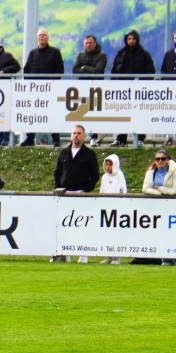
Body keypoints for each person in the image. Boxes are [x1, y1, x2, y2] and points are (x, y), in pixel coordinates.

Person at [51, 125, 99, 263]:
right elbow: (57, 173)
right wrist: (58, 188)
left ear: (84, 136)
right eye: (73, 133)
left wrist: (86, 190)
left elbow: (95, 175)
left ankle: (83, 253)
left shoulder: (90, 154)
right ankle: (65, 253)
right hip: (65, 195)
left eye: (78, 133)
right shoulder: (64, 153)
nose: (75, 136)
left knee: (82, 226)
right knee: (64, 226)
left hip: (81, 195)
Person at [110, 30, 155, 147]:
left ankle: (140, 138)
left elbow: (151, 72)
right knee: (122, 114)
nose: (131, 41)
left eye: (133, 39)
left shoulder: (144, 54)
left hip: (139, 91)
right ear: (126, 40)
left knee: (139, 114)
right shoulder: (121, 53)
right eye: (129, 39)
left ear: (137, 40)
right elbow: (114, 70)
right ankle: (121, 138)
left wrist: (143, 86)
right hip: (122, 91)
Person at [21, 29, 63, 147]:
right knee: (34, 114)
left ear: (48, 37)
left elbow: (59, 71)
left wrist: (50, 84)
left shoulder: (55, 52)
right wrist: (30, 84)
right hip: (34, 90)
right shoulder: (32, 53)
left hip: (50, 90)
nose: (41, 37)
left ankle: (56, 139)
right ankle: (30, 138)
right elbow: (26, 69)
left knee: (52, 113)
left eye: (43, 35)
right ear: (36, 38)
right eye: (39, 35)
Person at [72, 35, 107, 146]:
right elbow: (75, 70)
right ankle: (85, 135)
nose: (88, 45)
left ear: (95, 43)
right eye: (86, 43)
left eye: (90, 43)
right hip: (82, 88)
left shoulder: (102, 55)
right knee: (82, 113)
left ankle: (95, 136)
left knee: (96, 113)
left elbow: (98, 71)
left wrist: (85, 67)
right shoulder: (80, 55)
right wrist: (88, 72)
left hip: (97, 89)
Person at [95, 154, 125, 264]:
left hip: (116, 208)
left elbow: (123, 190)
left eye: (110, 165)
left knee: (115, 233)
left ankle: (116, 256)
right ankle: (109, 256)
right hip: (105, 208)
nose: (107, 167)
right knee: (107, 233)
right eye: (106, 164)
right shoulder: (104, 177)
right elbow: (102, 191)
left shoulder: (120, 175)